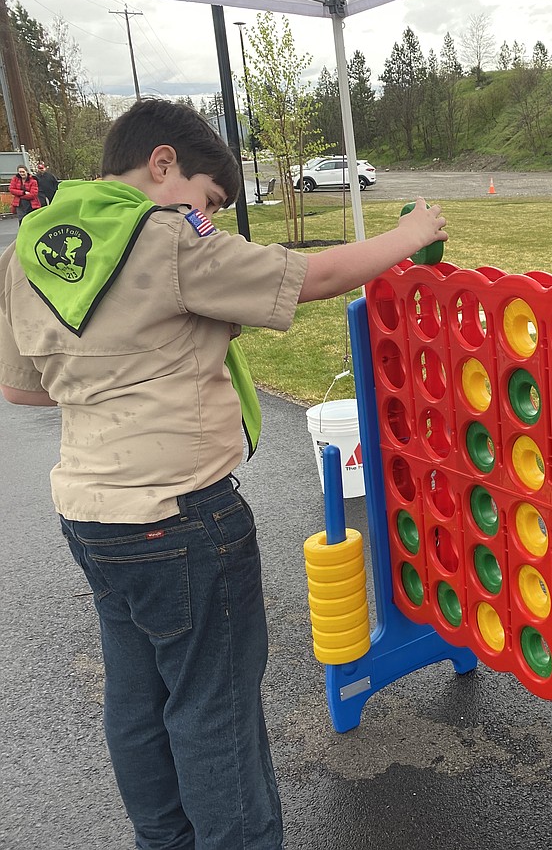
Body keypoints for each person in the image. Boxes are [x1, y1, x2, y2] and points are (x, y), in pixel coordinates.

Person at [0, 98, 446, 850]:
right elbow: (309, 274)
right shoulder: (167, 236)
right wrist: (407, 235)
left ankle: (162, 841)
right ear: (163, 163)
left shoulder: (28, 246)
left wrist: (118, 371)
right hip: (183, 513)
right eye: (208, 199)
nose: (207, 214)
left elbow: (20, 386)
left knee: (137, 702)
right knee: (215, 710)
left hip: (91, 514)